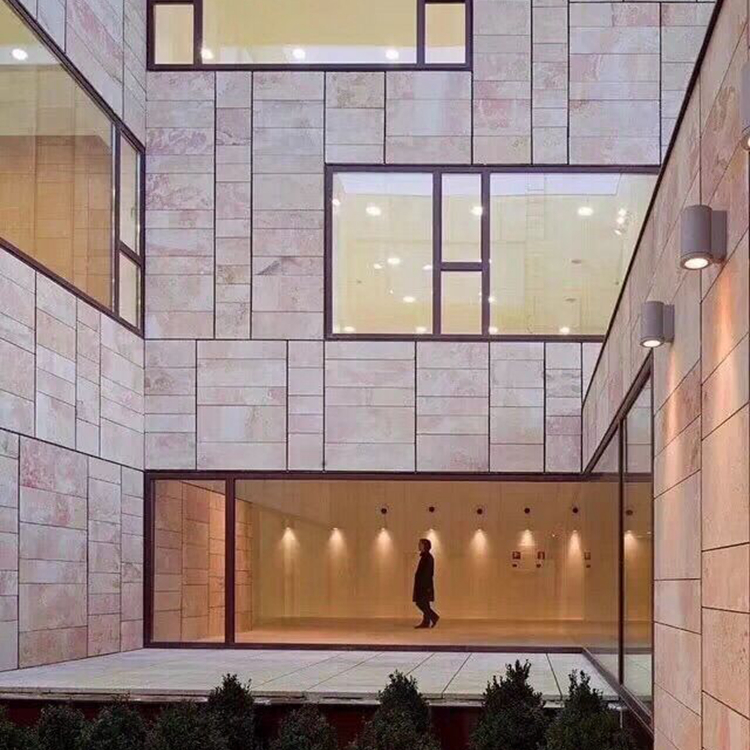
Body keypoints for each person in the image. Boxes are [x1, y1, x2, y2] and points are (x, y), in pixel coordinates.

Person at [413, 538, 439, 629]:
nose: (419, 546)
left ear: (425, 546)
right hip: (423, 585)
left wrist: (424, 586)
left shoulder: (428, 557)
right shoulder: (425, 557)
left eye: (420, 544)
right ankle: (426, 622)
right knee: (425, 603)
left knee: (421, 603)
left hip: (424, 586)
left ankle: (434, 617)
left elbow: (427, 573)